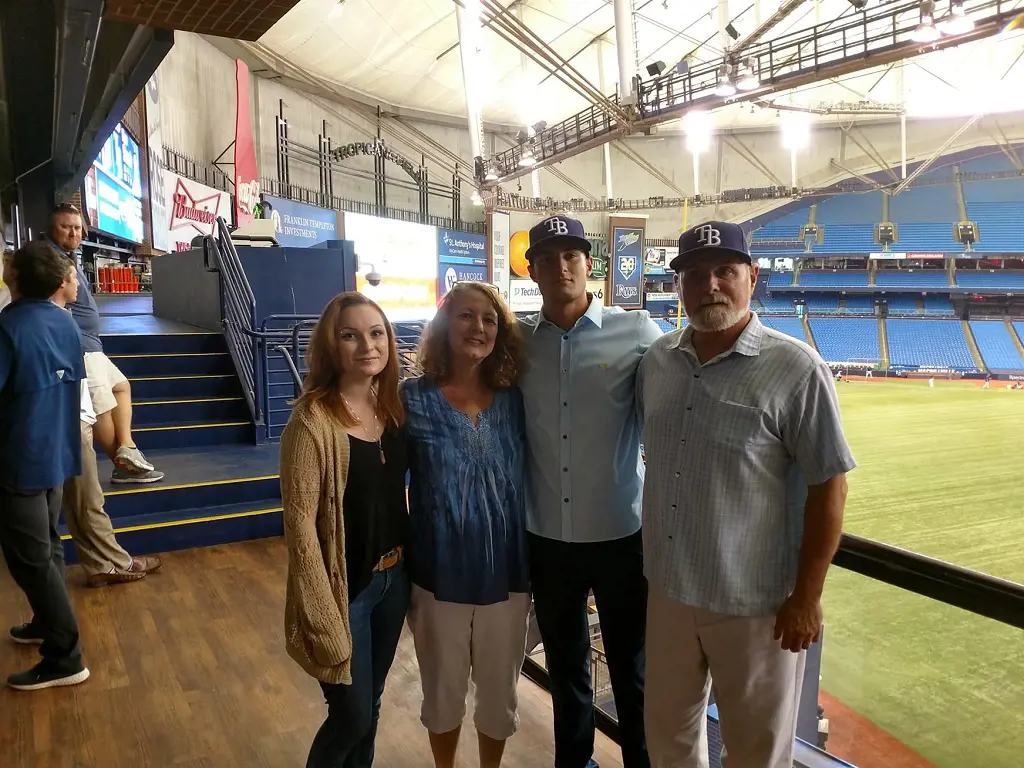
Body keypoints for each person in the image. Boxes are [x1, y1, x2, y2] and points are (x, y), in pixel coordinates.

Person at [637, 221, 856, 768]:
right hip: (668, 591)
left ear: (752, 277)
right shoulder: (658, 361)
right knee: (667, 739)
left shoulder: (797, 367)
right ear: (679, 285)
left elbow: (830, 486)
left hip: (756, 606)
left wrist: (806, 597)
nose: (710, 284)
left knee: (758, 752)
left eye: (725, 271)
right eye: (694, 274)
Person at [518, 215, 661, 768]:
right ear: (532, 270)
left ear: (590, 263)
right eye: (549, 258)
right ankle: (573, 763)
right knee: (567, 666)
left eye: (572, 255)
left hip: (621, 535)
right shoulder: (518, 343)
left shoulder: (639, 333)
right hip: (548, 538)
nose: (562, 266)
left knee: (631, 669)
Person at [402, 282, 530, 768]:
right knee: (442, 693)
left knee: (499, 696)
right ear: (444, 324)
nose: (478, 327)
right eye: (466, 316)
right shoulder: (411, 399)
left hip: (508, 576)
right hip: (438, 576)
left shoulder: (518, 400)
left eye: (489, 319)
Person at [280, 291, 410, 768]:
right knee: (350, 716)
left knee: (371, 704)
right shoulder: (311, 422)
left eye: (376, 333)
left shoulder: (392, 407)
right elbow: (300, 526)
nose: (366, 346)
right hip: (345, 592)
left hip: (393, 580)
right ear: (330, 347)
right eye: (350, 335)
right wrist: (323, 615)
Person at [0, 242, 90, 690]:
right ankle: (44, 620)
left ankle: (64, 656)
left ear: (13, 278)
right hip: (57, 454)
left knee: (30, 559)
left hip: (17, 460)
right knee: (49, 546)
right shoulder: (65, 325)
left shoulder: (9, 328)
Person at [51, 264, 164, 587]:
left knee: (82, 501)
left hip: (68, 421)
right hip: (68, 424)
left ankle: (104, 562)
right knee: (87, 500)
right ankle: (111, 563)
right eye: (74, 278)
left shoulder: (54, 320)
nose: (79, 285)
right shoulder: (52, 323)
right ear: (60, 282)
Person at [43, 203, 162, 484]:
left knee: (121, 387)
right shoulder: (51, 260)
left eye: (76, 227)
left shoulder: (68, 257)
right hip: (79, 347)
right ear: (51, 228)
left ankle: (127, 448)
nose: (73, 232)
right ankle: (123, 466)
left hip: (92, 345)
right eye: (65, 226)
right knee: (101, 409)